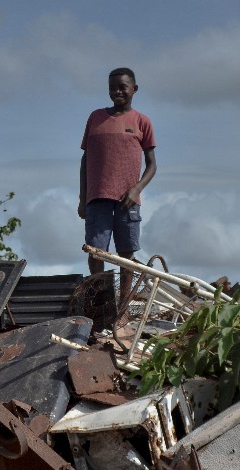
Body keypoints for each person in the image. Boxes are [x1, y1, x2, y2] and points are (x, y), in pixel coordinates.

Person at [78, 67, 157, 306]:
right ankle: (101, 302)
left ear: (134, 89)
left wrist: (136, 189)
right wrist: (83, 197)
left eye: (123, 86)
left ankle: (123, 303)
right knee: (95, 251)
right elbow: (85, 159)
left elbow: (152, 165)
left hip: (128, 199)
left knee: (126, 255)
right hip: (97, 197)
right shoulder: (95, 118)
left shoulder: (142, 121)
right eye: (113, 87)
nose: (118, 91)